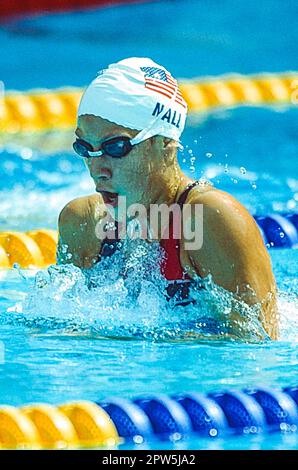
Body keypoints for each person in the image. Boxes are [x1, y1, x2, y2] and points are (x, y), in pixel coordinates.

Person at [57, 57, 278, 339]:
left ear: (165, 145)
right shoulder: (85, 224)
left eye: (115, 147)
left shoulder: (212, 220)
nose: (97, 168)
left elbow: (258, 344)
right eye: (85, 147)